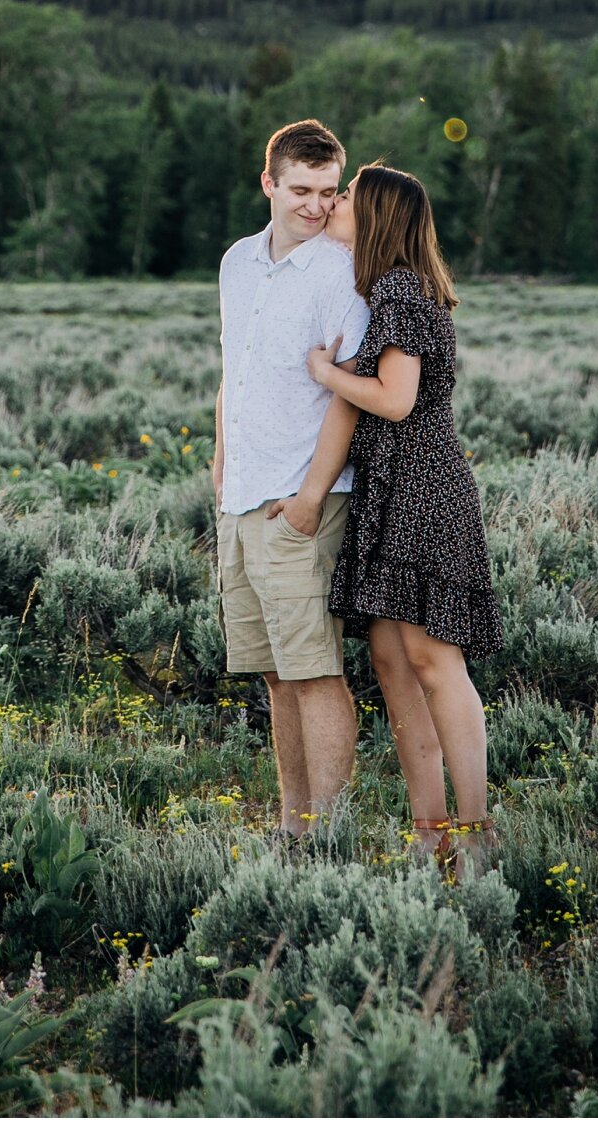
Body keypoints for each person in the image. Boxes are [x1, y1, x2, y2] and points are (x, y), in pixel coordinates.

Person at [301, 161, 504, 877]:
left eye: (348, 195)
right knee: (392, 661)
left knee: (433, 661)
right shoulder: (389, 288)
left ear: (378, 213)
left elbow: (394, 399)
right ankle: (430, 831)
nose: (336, 203)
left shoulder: (398, 290)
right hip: (392, 489)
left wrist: (326, 374)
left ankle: (476, 835)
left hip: (421, 488)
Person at [212, 118, 371, 842]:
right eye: (300, 189)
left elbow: (345, 394)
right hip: (242, 496)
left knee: (313, 670)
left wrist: (311, 497)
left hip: (301, 501)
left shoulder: (342, 272)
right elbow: (231, 369)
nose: (314, 205)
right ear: (268, 183)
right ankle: (292, 826)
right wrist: (220, 462)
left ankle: (329, 835)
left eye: (328, 192)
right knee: (276, 674)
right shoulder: (236, 262)